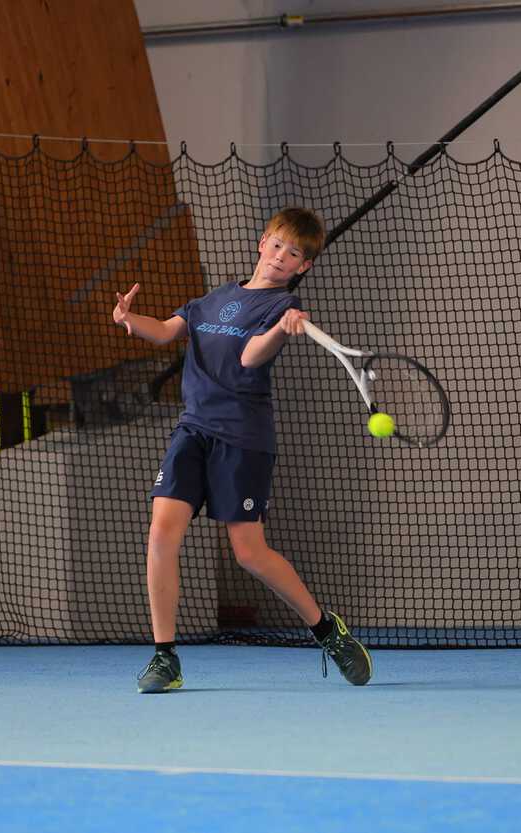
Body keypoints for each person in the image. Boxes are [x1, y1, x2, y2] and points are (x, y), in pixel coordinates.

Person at [112, 207, 372, 693]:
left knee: (249, 552)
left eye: (293, 254)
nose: (280, 256)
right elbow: (168, 331)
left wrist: (281, 328)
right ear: (261, 243)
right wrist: (130, 320)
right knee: (161, 533)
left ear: (302, 267)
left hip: (243, 439)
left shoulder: (280, 308)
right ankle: (165, 658)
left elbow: (249, 357)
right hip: (192, 431)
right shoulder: (213, 300)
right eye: (276, 245)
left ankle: (326, 630)